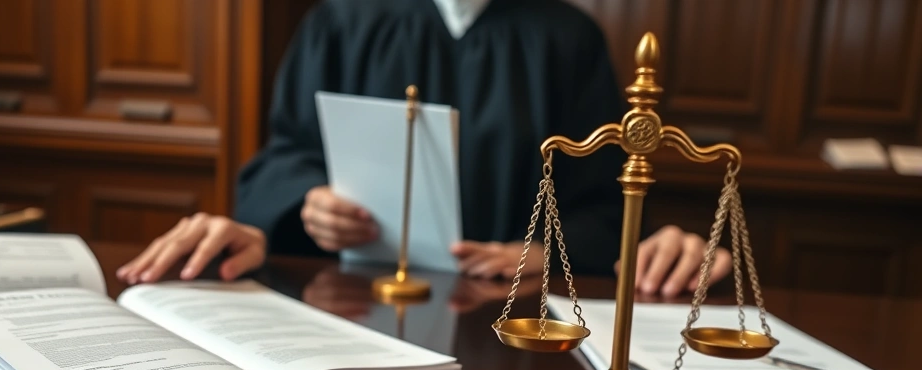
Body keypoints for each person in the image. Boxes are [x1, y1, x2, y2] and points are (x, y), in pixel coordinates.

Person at [118, 0, 731, 297]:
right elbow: (283, 157)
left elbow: (604, 201)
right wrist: (310, 203)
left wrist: (546, 250)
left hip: (507, 312)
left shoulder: (566, 38)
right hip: (354, 301)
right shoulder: (343, 20)